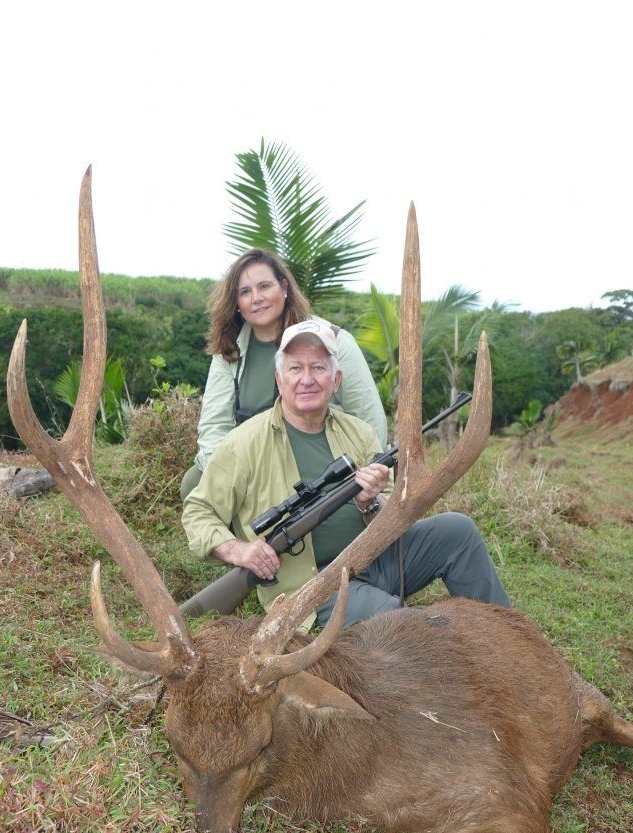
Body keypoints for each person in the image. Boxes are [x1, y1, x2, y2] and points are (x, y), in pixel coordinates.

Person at [182, 321, 510, 630]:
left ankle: (508, 637)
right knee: (411, 625)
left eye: (318, 368)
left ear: (336, 380)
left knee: (458, 531)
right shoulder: (241, 444)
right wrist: (238, 550)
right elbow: (198, 511)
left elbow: (393, 519)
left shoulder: (360, 433)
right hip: (315, 584)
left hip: (375, 558)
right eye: (295, 368)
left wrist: (370, 503)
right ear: (279, 380)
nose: (307, 379)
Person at [179, 248, 387, 499]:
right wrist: (225, 474)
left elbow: (369, 418)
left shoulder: (335, 341)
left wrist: (366, 478)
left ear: (284, 287)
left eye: (265, 286)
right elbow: (215, 425)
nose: (256, 298)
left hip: (321, 459)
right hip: (254, 461)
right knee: (194, 483)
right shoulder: (229, 351)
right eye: (245, 292)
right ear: (236, 303)